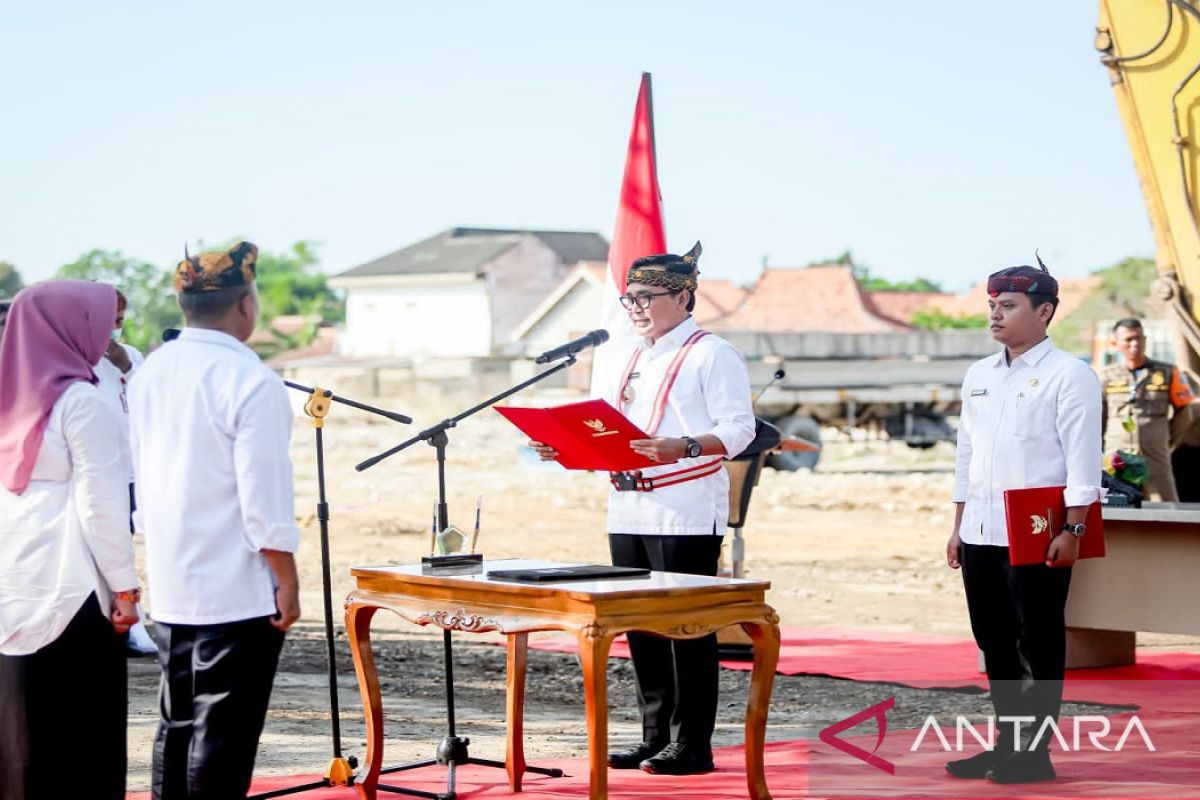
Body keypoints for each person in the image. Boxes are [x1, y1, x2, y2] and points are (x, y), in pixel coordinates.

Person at [532, 242, 755, 776]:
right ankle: (654, 737)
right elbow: (606, 431)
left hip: (683, 506)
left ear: (683, 296)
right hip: (626, 505)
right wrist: (563, 446)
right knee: (638, 629)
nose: (633, 307)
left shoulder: (712, 353)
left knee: (687, 627)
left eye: (645, 297)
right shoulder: (626, 356)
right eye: (628, 298)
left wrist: (687, 445)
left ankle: (693, 744)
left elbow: (740, 429)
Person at [129, 241, 302, 799]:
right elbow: (264, 499)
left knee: (177, 723)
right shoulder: (250, 380)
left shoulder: (152, 370)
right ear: (246, 304)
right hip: (237, 587)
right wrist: (288, 578)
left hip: (173, 578)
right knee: (223, 734)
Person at [945, 258, 1102, 784]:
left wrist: (1074, 529)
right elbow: (967, 453)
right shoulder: (979, 375)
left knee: (1038, 641)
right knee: (994, 641)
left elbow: (1083, 462)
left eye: (1008, 306)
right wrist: (958, 524)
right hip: (981, 530)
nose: (995, 316)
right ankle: (1007, 744)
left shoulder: (1070, 375)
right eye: (992, 305)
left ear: (1045, 311)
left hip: (1039, 532)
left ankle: (1036, 754)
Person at [0, 280, 141, 800]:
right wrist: (125, 590)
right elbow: (102, 509)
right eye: (101, 321)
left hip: (13, 579)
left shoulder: (9, 395)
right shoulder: (81, 401)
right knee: (80, 741)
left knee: (19, 731)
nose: (108, 332)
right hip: (73, 585)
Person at [93, 289, 157, 655]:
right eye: (110, 320)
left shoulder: (129, 356)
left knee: (123, 550)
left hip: (130, 474)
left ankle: (130, 627)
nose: (116, 328)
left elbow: (150, 403)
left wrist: (128, 367)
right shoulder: (72, 359)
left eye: (120, 321)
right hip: (96, 475)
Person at [1100, 317, 1195, 501]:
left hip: (1155, 458)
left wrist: (1165, 440)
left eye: (1139, 338)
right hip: (1117, 458)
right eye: (1128, 340)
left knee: (1167, 510)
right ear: (1116, 343)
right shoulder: (1106, 376)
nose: (1135, 344)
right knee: (1117, 508)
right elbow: (1098, 416)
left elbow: (1186, 412)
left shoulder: (1167, 372)